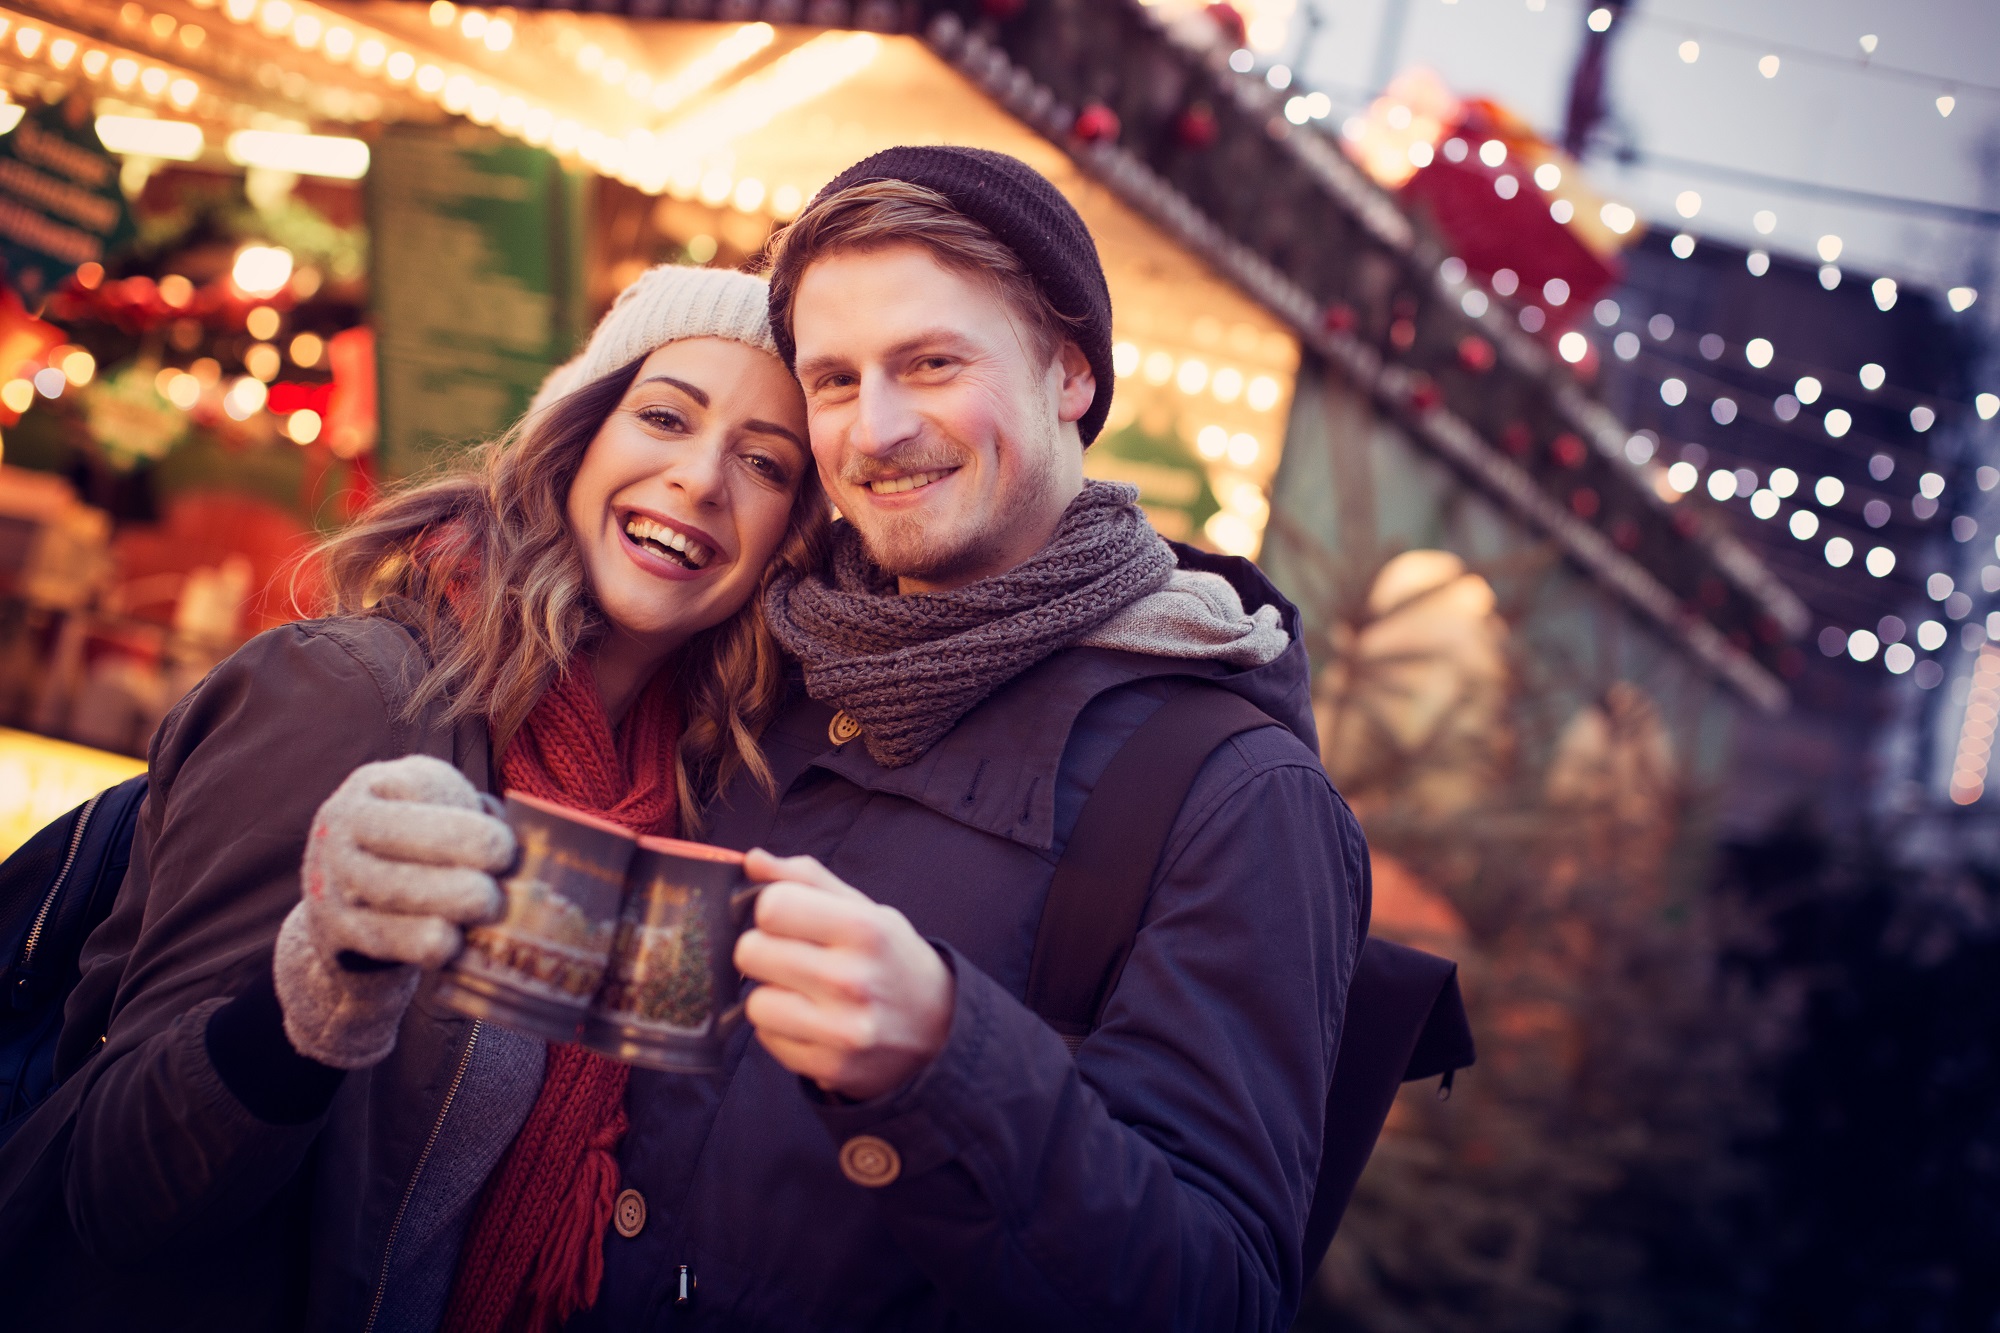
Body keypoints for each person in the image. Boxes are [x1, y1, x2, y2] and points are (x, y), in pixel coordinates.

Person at [324, 147, 1369, 1331]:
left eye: (929, 363)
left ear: (1070, 371)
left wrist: (946, 1054)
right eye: (831, 380)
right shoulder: (756, 659)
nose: (874, 428)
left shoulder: (1232, 793)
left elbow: (1219, 1295)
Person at [0, 265, 829, 1330]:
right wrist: (312, 1000)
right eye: (663, 415)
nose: (703, 478)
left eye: (765, 462)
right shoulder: (346, 694)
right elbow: (114, 1184)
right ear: (573, 434)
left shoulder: (701, 801)